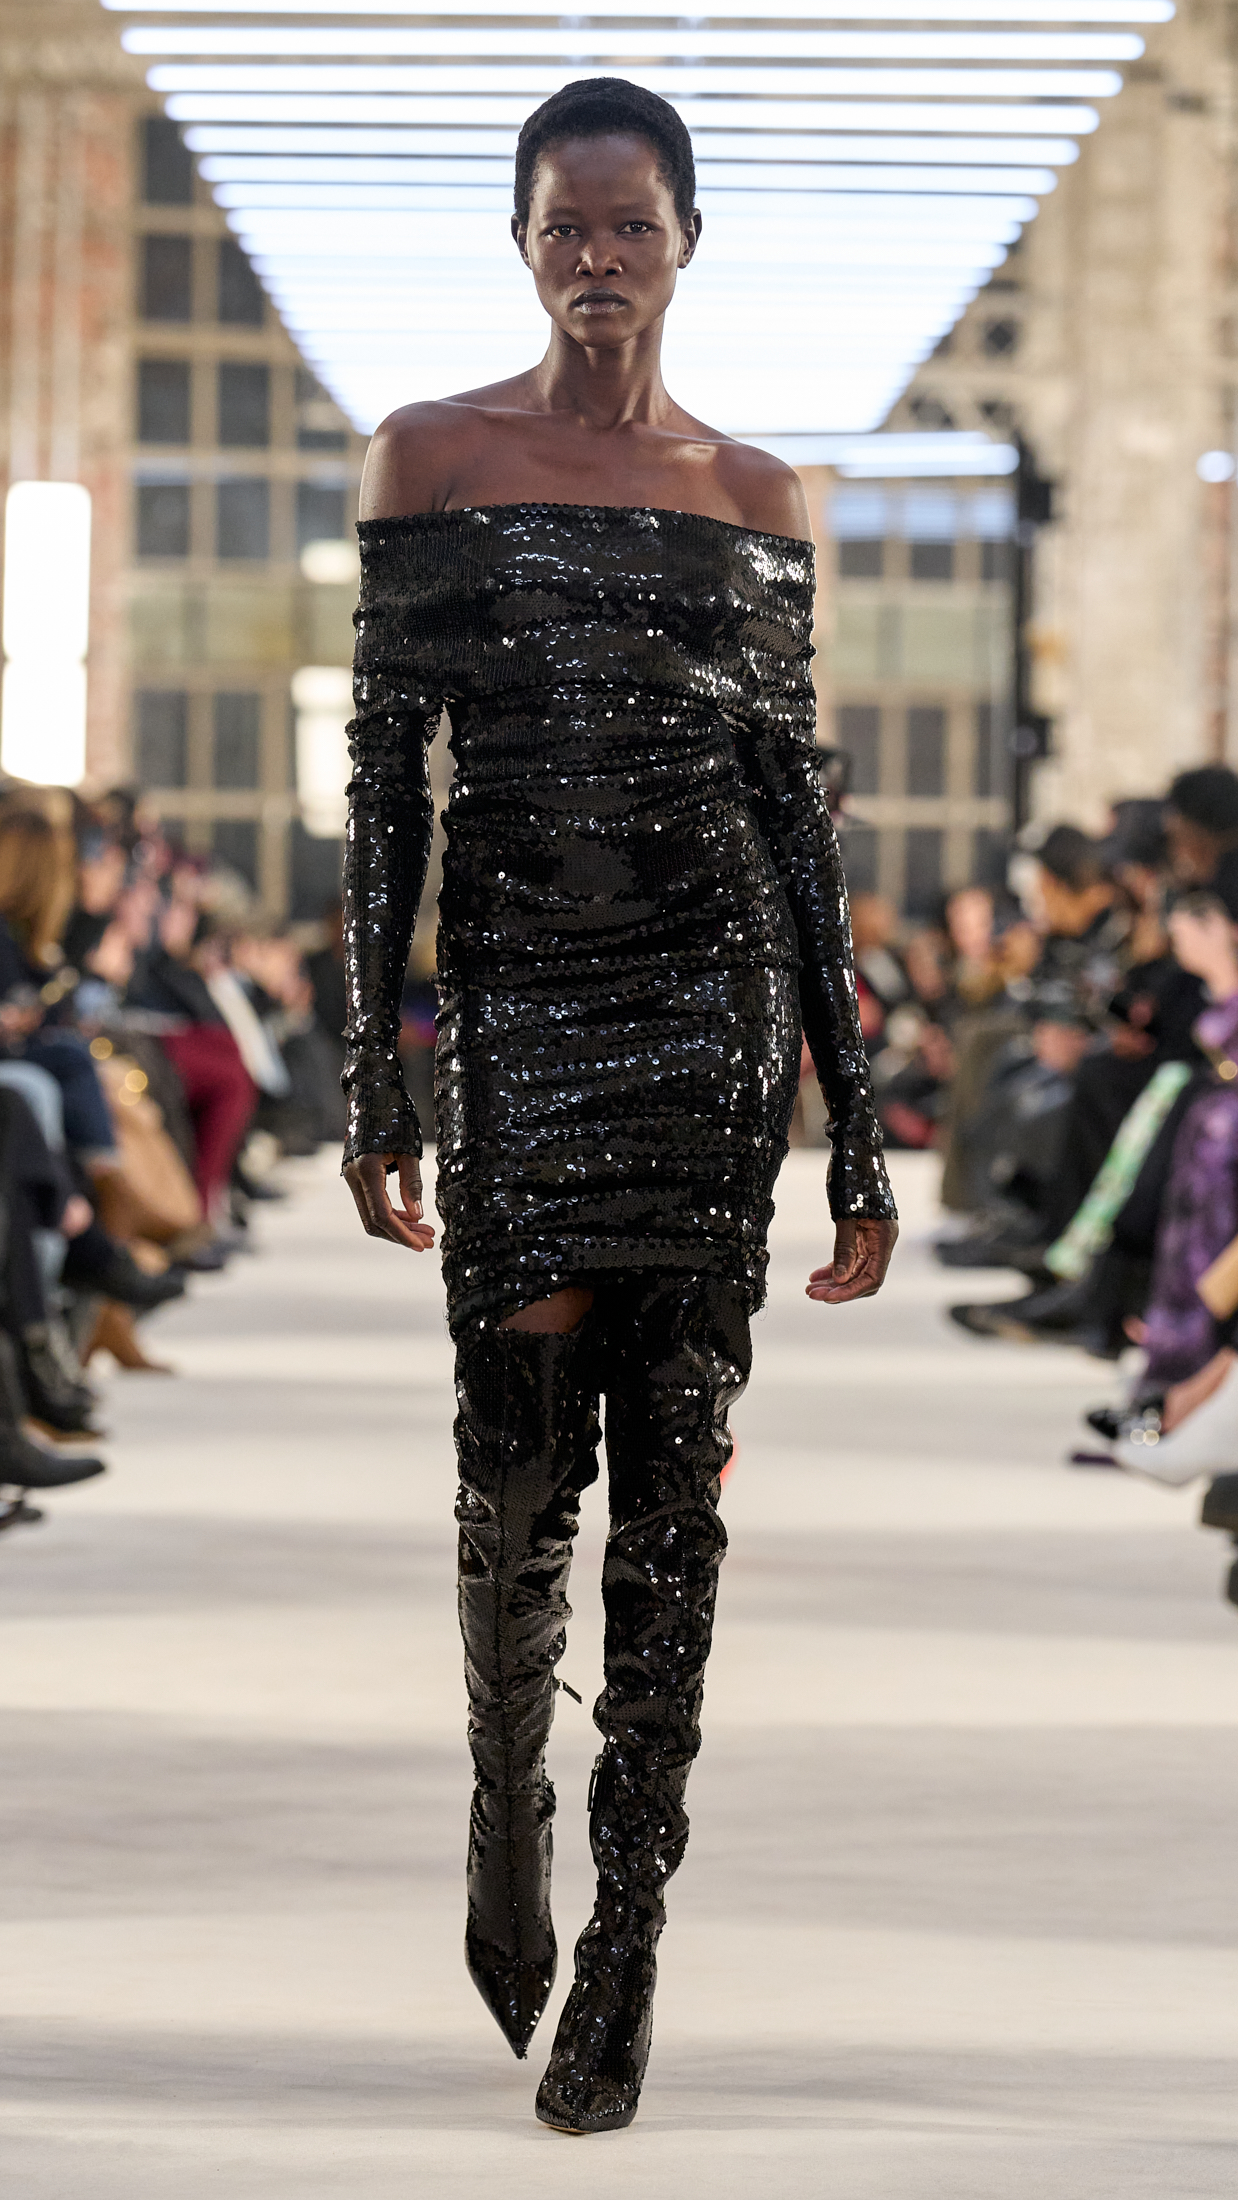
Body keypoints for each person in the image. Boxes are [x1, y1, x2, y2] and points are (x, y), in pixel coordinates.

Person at [340, 77, 897, 2136]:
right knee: (512, 1472)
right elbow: (383, 788)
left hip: (707, 1008)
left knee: (674, 1492)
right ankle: (509, 1815)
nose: (597, 257)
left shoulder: (752, 494)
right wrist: (372, 1069)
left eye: (629, 224)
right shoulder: (431, 456)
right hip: (518, 1009)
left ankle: (629, 1944)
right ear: (519, 241)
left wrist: (854, 1116)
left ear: (683, 242)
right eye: (564, 225)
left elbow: (795, 816)